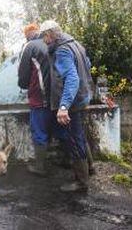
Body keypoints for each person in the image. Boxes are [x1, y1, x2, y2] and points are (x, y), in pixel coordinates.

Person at [40, 20, 94, 192]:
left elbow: (72, 78)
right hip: (82, 98)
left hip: (72, 103)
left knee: (74, 139)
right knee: (79, 135)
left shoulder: (62, 50)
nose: (44, 41)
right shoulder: (75, 44)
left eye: (44, 37)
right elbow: (87, 65)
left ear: (50, 34)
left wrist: (63, 106)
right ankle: (90, 168)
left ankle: (81, 182)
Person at [18, 23, 51, 176]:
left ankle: (40, 167)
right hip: (56, 96)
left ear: (28, 34)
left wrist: (24, 86)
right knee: (63, 129)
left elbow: (23, 73)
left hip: (39, 96)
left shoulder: (30, 46)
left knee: (39, 130)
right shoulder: (51, 42)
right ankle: (77, 163)